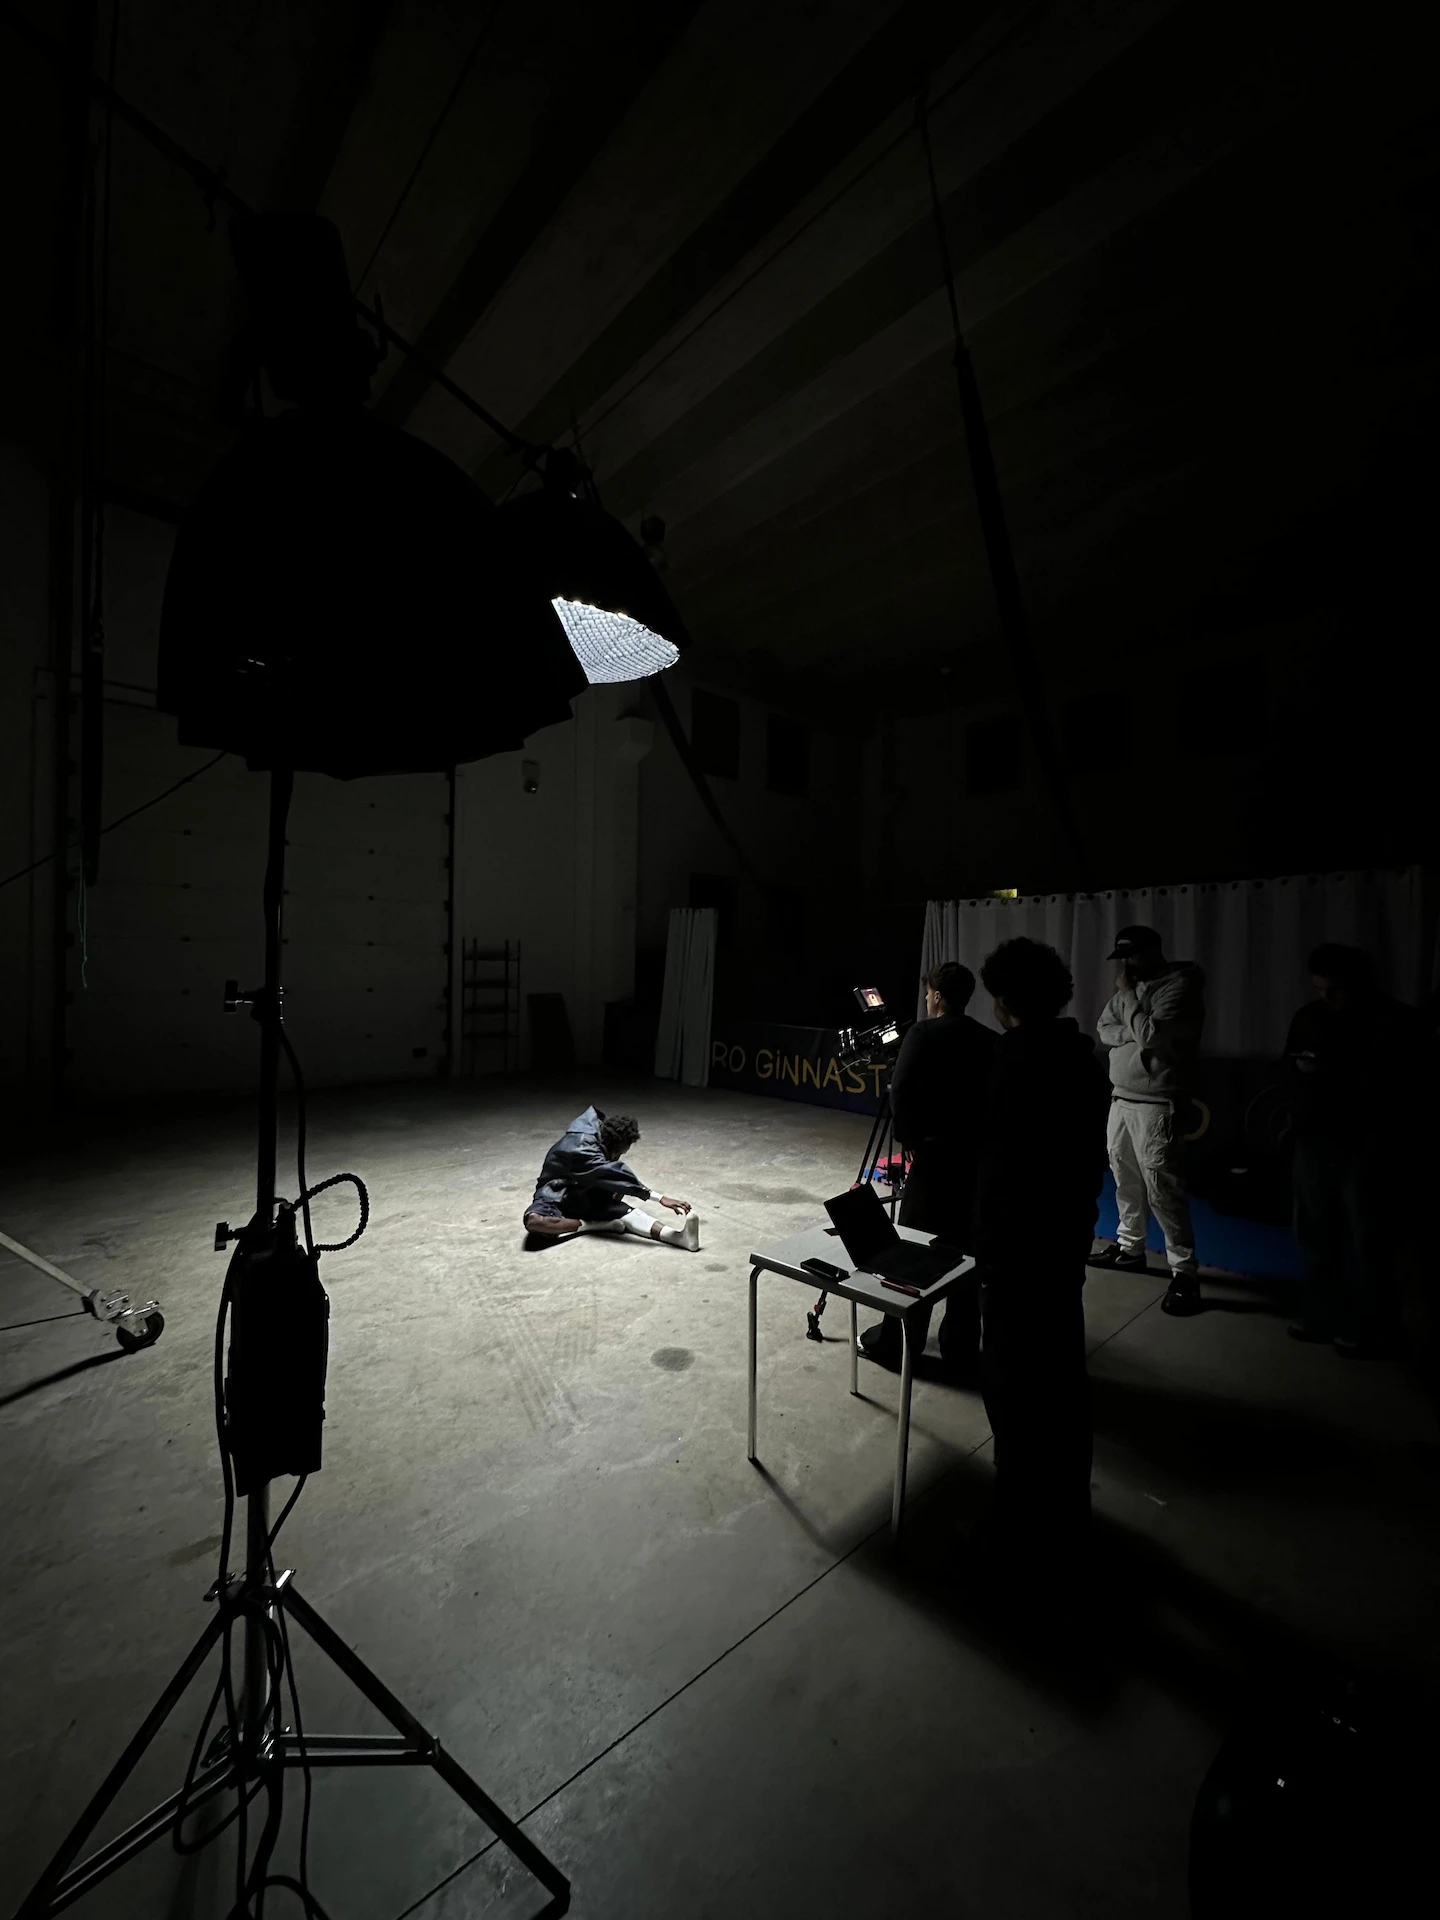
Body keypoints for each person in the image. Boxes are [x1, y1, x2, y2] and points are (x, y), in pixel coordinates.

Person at [969, 938, 1110, 1568]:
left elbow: (1001, 1172)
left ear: (1003, 1001)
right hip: (1063, 1248)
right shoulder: (1079, 1056)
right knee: (1060, 1386)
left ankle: (1019, 1532)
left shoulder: (1015, 1065)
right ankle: (1066, 1518)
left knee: (1014, 1392)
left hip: (1017, 1258)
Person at [858, 961, 996, 1371]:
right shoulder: (990, 1039)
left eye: (928, 993)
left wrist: (912, 1140)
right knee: (967, 1257)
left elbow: (900, 1092)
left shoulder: (923, 1033)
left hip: (934, 1163)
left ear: (936, 995)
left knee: (913, 1251)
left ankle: (899, 1344)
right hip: (975, 1165)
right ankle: (960, 1347)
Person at [1284, 945, 1423, 1355]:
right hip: (1313, 1138)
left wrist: (1334, 1070)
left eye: (1336, 990)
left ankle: (1373, 1324)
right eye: (1319, 988)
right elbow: (1287, 1066)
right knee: (1312, 1229)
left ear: (1359, 984)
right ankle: (1321, 1312)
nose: (1326, 997)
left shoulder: (1395, 1021)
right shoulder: (1308, 1017)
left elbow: (1406, 1087)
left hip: (1368, 1142)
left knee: (1369, 1235)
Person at [1093, 924, 1207, 1315]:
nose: (1127, 965)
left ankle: (1185, 1273)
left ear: (1154, 951)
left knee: (1163, 1189)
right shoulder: (1134, 988)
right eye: (1124, 957)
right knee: (1123, 1177)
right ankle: (1130, 1248)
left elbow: (1151, 1036)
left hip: (1158, 1102)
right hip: (1120, 1097)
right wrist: (1132, 1024)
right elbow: (1103, 1028)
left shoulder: (1180, 987)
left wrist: (1127, 999)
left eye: (1134, 956)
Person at [523, 1106, 700, 1249]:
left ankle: (677, 1237)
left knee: (619, 1201)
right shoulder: (583, 1150)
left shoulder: (600, 1133)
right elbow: (616, 1173)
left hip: (584, 1192)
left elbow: (613, 1174)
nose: (619, 1158)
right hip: (557, 1195)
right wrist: (660, 1198)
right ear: (614, 1146)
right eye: (620, 1153)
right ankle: (592, 1225)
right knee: (535, 1221)